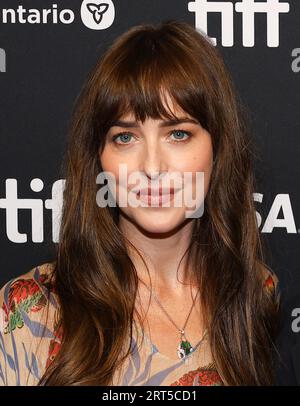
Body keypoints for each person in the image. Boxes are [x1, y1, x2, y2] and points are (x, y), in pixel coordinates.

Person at [0, 20, 280, 386]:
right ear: (98, 157)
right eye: (125, 137)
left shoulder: (256, 292)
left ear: (218, 149)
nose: (151, 167)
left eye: (178, 134)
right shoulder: (27, 311)